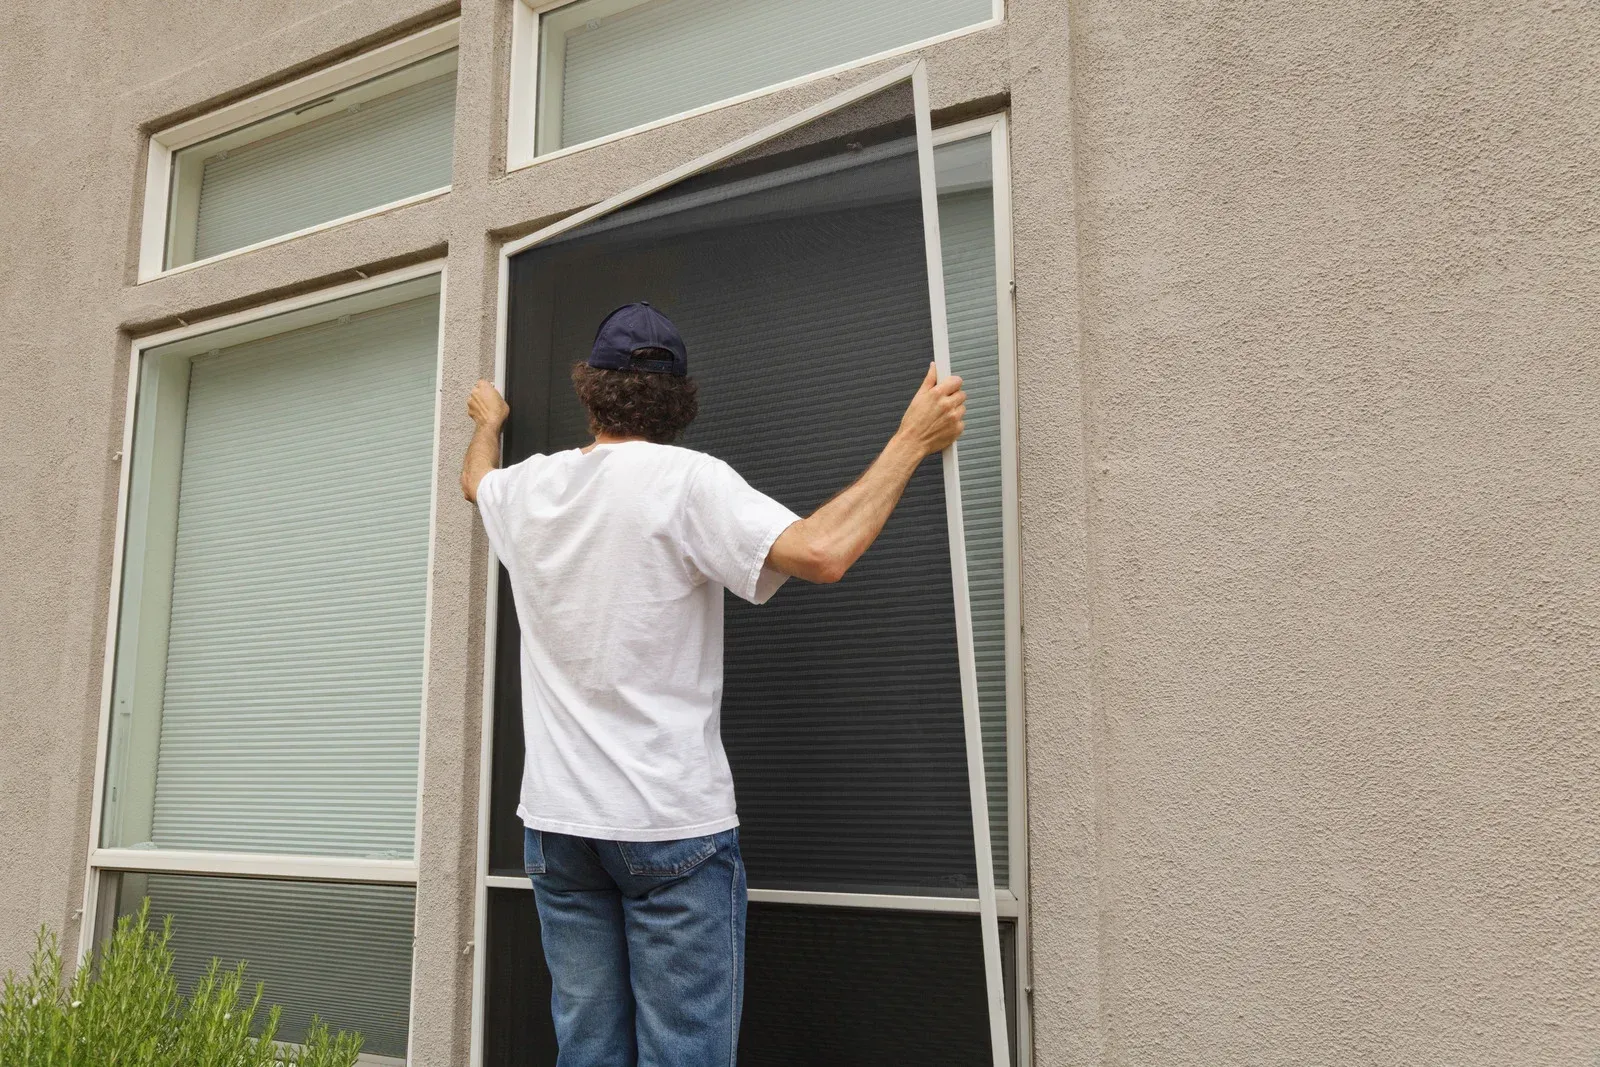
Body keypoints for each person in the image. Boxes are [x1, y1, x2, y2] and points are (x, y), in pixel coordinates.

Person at [461, 302, 965, 1067]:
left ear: (589, 390)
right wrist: (912, 438)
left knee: (587, 1054)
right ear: (680, 402)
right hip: (668, 829)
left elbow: (475, 484)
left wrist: (488, 421)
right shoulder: (688, 482)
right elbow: (823, 551)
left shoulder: (530, 489)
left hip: (558, 829)